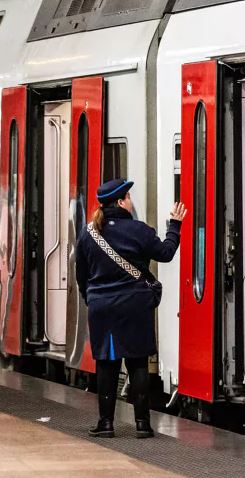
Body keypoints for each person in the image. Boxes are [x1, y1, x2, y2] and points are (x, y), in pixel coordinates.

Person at [75, 178, 186, 438]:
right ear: (121, 201)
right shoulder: (139, 230)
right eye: (128, 197)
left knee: (107, 363)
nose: (130, 201)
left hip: (102, 307)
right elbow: (166, 253)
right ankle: (142, 424)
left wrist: (91, 299)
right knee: (137, 362)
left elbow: (81, 274)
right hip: (134, 306)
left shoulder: (89, 233)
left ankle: (106, 423)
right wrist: (175, 225)